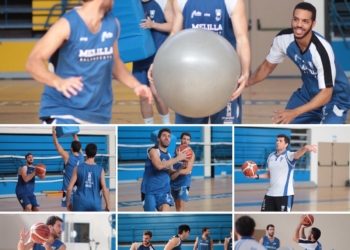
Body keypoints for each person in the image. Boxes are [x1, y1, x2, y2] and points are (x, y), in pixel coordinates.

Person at [25, 0, 152, 124]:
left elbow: (115, 62)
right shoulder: (67, 24)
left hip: (99, 114)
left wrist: (136, 85)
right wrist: (58, 82)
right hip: (63, 110)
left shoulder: (113, 24)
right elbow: (33, 61)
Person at [148, 0, 251, 124]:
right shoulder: (181, 1)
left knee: (226, 135)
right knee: (188, 135)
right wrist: (157, 62)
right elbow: (175, 35)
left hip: (225, 79)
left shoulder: (232, 2)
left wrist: (245, 73)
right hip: (189, 79)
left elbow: (242, 39)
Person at [247, 2, 350, 124]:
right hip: (308, 93)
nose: (299, 25)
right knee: (285, 129)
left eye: (305, 21)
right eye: (296, 19)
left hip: (334, 97)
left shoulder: (321, 50)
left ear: (313, 24)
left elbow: (326, 94)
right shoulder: (283, 39)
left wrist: (295, 112)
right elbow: (266, 67)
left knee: (326, 136)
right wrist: (245, 83)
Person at [250, 134, 317, 212]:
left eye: (280, 141)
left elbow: (298, 153)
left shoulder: (289, 155)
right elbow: (270, 174)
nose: (277, 142)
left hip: (285, 195)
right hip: (270, 194)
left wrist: (305, 148)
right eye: (277, 140)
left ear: (286, 144)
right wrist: (257, 176)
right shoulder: (271, 156)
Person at [133, 0, 173, 124]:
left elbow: (173, 25)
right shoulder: (132, 3)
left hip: (157, 56)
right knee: (144, 96)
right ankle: (148, 126)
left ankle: (167, 124)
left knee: (157, 94)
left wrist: (153, 24)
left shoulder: (162, 2)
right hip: (140, 56)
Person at [141, 128, 190, 212]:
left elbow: (172, 176)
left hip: (164, 191)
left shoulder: (169, 156)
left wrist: (180, 168)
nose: (167, 138)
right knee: (151, 218)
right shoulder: (153, 151)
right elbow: (159, 166)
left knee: (165, 215)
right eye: (164, 136)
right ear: (158, 139)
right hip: (149, 190)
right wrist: (178, 158)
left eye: (169, 136)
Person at [66, 143, 110, 211]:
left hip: (80, 202)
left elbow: (69, 188)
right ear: (96, 153)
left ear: (85, 153)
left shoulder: (77, 168)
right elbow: (104, 189)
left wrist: (68, 202)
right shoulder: (101, 170)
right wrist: (108, 205)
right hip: (95, 203)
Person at [52, 126, 85, 207]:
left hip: (68, 188)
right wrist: (74, 133)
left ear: (71, 148)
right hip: (79, 187)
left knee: (69, 208)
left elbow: (56, 144)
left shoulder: (67, 156)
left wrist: (53, 132)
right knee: (79, 207)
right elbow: (77, 142)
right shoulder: (82, 156)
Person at [169, 132, 195, 211]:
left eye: (188, 139)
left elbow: (187, 171)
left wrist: (176, 172)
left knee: (180, 203)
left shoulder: (191, 154)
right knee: (176, 202)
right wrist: (172, 171)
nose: (185, 141)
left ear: (189, 141)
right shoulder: (174, 151)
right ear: (180, 140)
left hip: (184, 181)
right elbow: (170, 167)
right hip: (174, 181)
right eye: (184, 139)